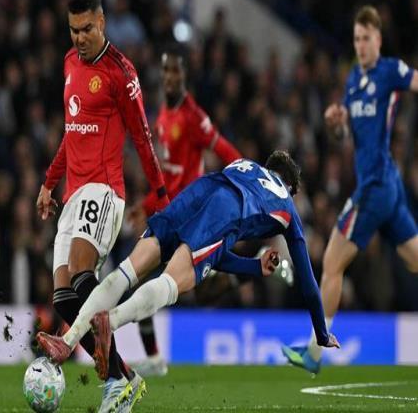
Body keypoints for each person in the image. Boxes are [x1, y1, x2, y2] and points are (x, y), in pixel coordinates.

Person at [37, 151, 340, 385]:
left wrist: (253, 267)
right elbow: (309, 283)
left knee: (129, 269)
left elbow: (215, 252)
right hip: (227, 208)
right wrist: (321, 332)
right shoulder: (287, 206)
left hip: (200, 189)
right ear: (290, 186)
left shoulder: (244, 164)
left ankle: (67, 341)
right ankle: (110, 321)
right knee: (174, 282)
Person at [35, 0, 169, 412]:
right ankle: (122, 378)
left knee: (80, 270)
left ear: (102, 21)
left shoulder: (121, 73)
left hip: (105, 190)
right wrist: (48, 182)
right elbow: (71, 134)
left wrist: (161, 195)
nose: (80, 38)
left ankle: (116, 367)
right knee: (63, 298)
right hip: (73, 193)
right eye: (73, 30)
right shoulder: (68, 63)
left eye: (87, 29)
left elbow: (143, 138)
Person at [282, 5, 418, 374]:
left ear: (379, 40)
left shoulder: (390, 71)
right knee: (413, 259)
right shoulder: (354, 79)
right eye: (357, 39)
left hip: (376, 187)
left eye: (366, 38)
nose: (360, 45)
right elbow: (346, 134)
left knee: (331, 262)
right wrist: (336, 123)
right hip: (384, 186)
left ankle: (314, 354)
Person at [127, 47, 241, 377]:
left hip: (191, 216)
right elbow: (168, 178)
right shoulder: (164, 113)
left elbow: (224, 149)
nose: (169, 77)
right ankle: (154, 357)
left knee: (152, 282)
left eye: (175, 71)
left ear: (185, 74)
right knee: (145, 282)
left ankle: (235, 271)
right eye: (165, 70)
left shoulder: (193, 116)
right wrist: (144, 205)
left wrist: (246, 176)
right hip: (171, 213)